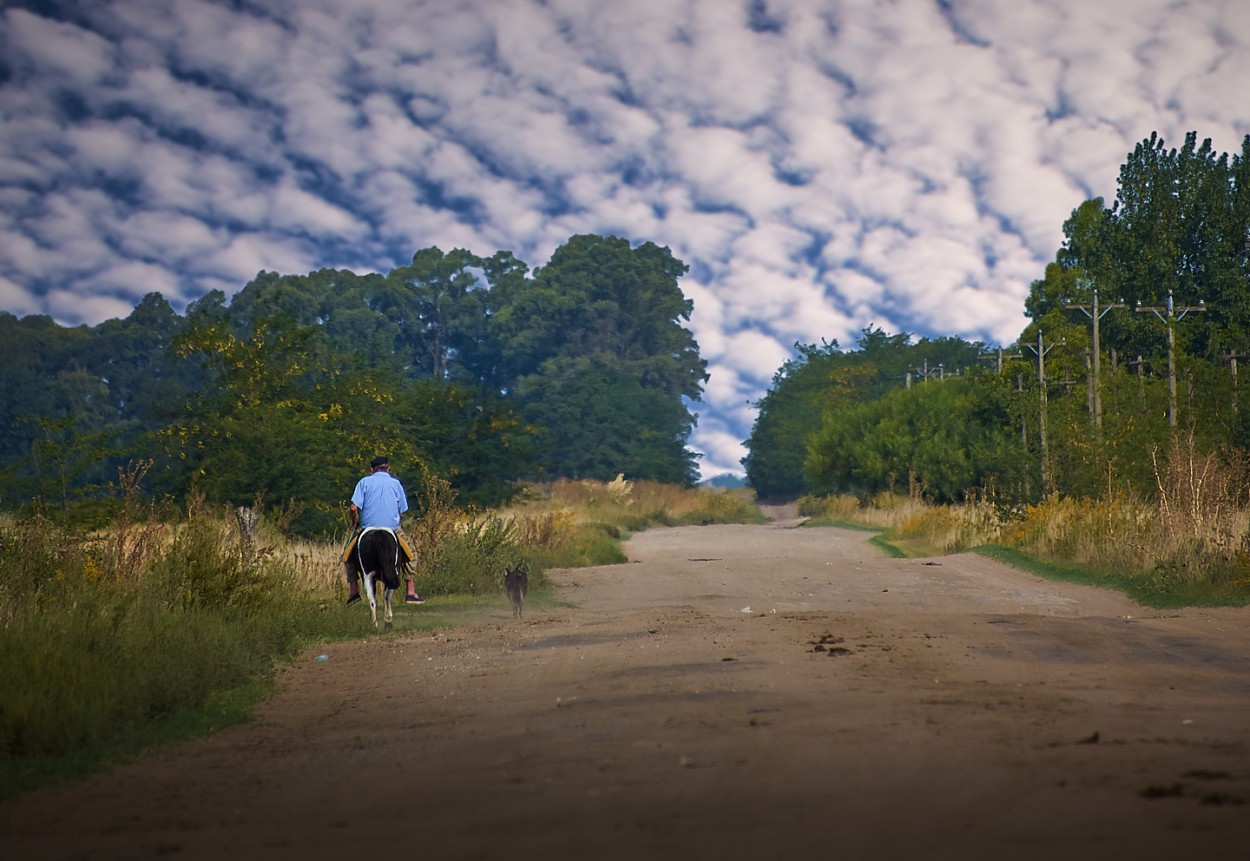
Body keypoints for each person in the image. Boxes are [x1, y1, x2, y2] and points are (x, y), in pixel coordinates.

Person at [342, 455, 423, 606]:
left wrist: (354, 523)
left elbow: (353, 507)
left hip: (367, 527)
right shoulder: (396, 483)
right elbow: (402, 509)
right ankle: (410, 592)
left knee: (347, 555)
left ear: (371, 470)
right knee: (411, 554)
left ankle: (353, 592)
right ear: (389, 468)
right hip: (391, 528)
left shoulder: (364, 482)